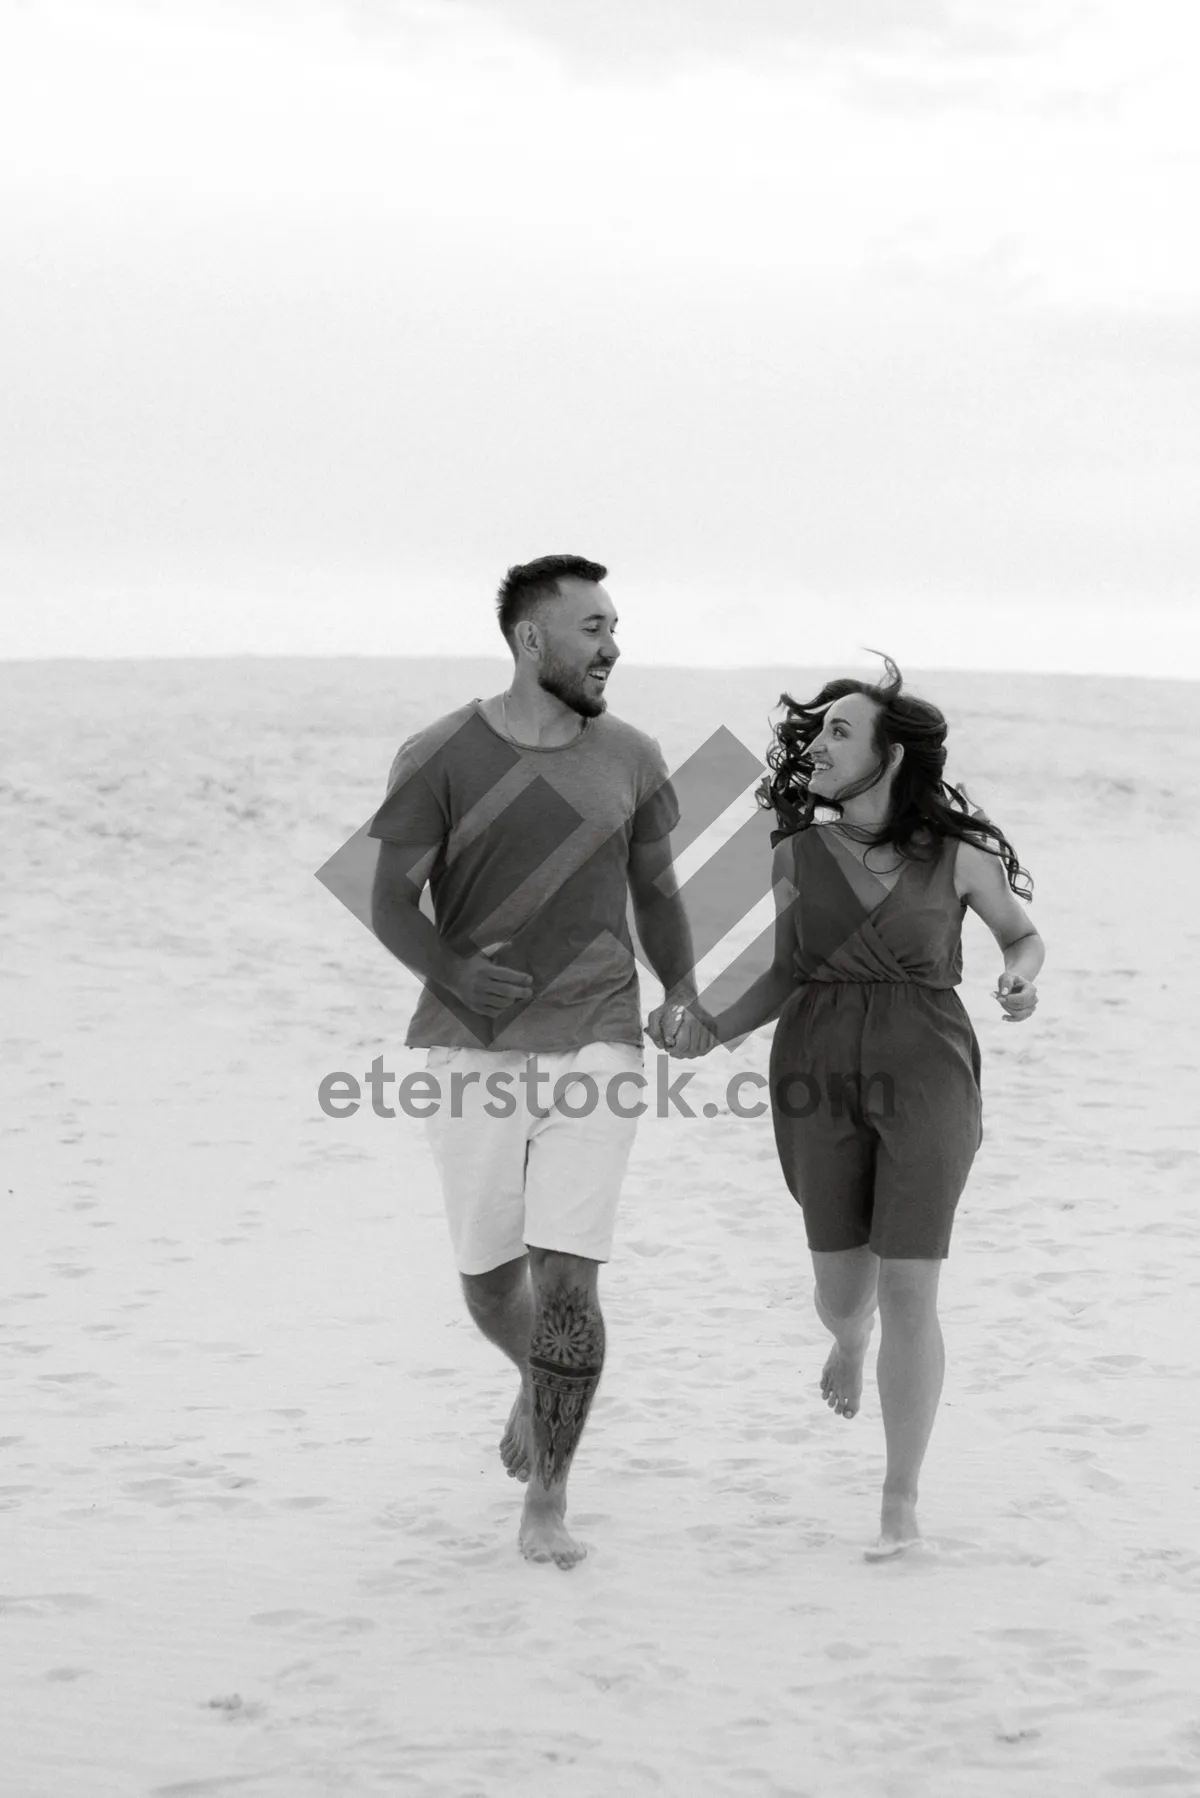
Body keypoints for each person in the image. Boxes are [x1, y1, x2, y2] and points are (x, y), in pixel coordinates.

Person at [656, 657, 1044, 1559]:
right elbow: (784, 969)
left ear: (891, 754)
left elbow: (1019, 936)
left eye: (839, 729)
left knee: (913, 1282)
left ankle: (899, 1498)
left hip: (929, 1068)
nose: (817, 743)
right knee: (843, 1291)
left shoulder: (960, 856)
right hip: (816, 1068)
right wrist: (707, 1030)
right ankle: (848, 1340)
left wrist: (1018, 981)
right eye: (818, 728)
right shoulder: (795, 851)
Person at [369, 555, 697, 1569]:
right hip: (469, 1049)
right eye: (593, 627)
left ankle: (549, 1499)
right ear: (531, 639)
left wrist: (681, 989)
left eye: (615, 626)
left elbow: (656, 891)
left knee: (569, 1280)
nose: (612, 646)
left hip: (600, 1032)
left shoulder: (633, 756)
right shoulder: (439, 756)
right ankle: (539, 1379)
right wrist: (455, 972)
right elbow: (389, 901)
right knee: (487, 1281)